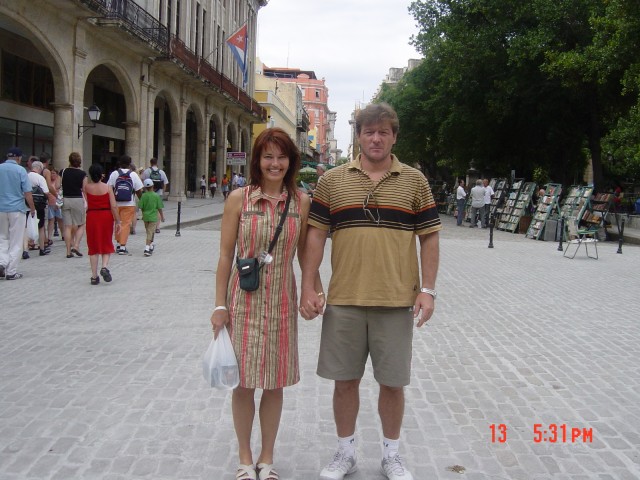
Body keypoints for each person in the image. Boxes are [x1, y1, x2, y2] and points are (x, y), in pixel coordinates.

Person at [300, 103, 441, 480]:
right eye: (369, 132)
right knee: (344, 381)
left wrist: (428, 290)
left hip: (395, 302)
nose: (376, 138)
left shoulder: (415, 181)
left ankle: (391, 455)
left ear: (394, 137)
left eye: (383, 132)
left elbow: (429, 238)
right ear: (359, 136)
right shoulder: (332, 181)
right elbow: (316, 235)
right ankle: (345, 452)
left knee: (392, 383)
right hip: (344, 300)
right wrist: (308, 285)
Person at [210, 127, 312, 480]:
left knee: (274, 383)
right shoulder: (239, 199)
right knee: (243, 383)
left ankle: (267, 458)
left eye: (281, 157)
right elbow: (226, 255)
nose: (275, 163)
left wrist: (313, 290)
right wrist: (219, 305)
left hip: (282, 303)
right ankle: (245, 456)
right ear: (257, 160)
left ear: (291, 161)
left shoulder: (301, 202)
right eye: (268, 156)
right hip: (244, 303)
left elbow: (305, 256)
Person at [0, 147, 36, 280]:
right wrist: (32, 208)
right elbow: (27, 192)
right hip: (16, 209)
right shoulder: (21, 170)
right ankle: (11, 271)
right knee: (16, 240)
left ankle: (1, 262)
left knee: (2, 237)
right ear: (19, 158)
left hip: (1, 208)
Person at [84, 164, 121, 285]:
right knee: (106, 242)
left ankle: (94, 276)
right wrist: (118, 221)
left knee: (93, 246)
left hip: (92, 216)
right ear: (101, 175)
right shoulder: (108, 187)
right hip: (105, 216)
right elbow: (113, 206)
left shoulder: (86, 188)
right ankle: (104, 267)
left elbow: (86, 203)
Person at [106, 155, 144, 255]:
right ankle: (123, 246)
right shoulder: (133, 175)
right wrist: (142, 201)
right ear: (129, 163)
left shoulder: (114, 174)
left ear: (120, 162)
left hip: (116, 204)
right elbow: (138, 190)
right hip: (129, 203)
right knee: (126, 224)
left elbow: (109, 188)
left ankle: (118, 244)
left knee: (117, 223)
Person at [60, 152, 88, 258]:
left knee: (67, 226)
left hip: (65, 199)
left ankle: (68, 251)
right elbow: (84, 189)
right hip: (77, 199)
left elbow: (57, 185)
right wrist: (88, 202)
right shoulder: (82, 174)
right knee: (81, 224)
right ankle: (76, 245)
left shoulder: (63, 171)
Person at [26, 161, 51, 256]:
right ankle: (42, 248)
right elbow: (46, 192)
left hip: (27, 204)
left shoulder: (26, 176)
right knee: (41, 226)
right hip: (39, 204)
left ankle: (25, 249)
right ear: (40, 168)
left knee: (26, 226)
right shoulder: (40, 178)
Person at [138, 178, 165, 256]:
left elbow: (141, 207)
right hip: (153, 217)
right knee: (150, 232)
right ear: (153, 186)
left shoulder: (143, 196)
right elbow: (159, 208)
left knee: (149, 231)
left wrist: (143, 214)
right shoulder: (156, 196)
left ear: (145, 187)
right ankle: (147, 248)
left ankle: (150, 245)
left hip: (146, 217)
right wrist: (162, 217)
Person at [47, 169, 64, 242]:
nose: (52, 175)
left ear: (57, 174)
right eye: (51, 173)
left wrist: (59, 202)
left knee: (60, 219)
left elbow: (61, 192)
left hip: (58, 202)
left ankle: (63, 235)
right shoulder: (48, 182)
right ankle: (49, 237)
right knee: (51, 220)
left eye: (54, 173)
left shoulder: (58, 182)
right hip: (50, 203)